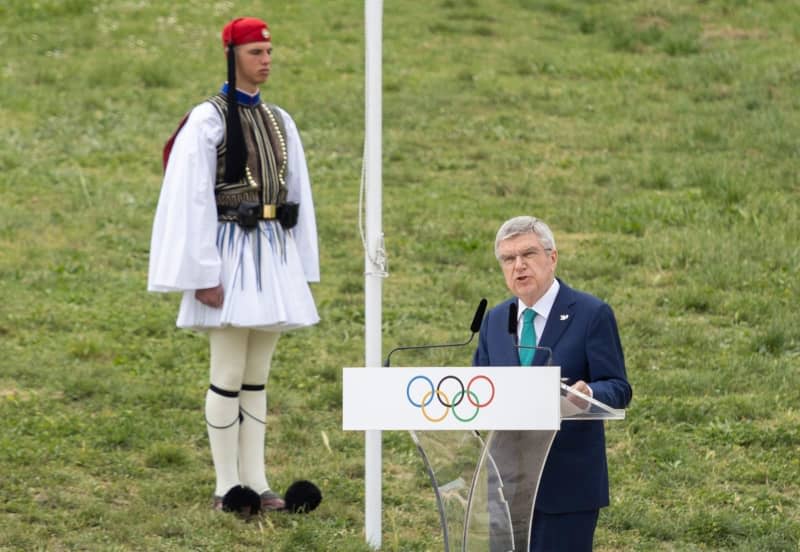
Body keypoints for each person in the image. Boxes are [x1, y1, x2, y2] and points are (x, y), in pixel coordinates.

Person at [148, 16, 319, 516]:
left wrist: (300, 268)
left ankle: (257, 481)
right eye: (254, 52)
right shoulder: (207, 119)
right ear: (231, 56)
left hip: (272, 255)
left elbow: (297, 194)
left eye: (268, 52)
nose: (265, 61)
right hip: (228, 253)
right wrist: (202, 272)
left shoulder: (280, 120)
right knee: (227, 370)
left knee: (257, 375)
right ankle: (227, 486)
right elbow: (191, 199)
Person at [473, 216, 632, 551]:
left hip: (566, 488)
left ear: (552, 257)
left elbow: (618, 388)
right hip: (506, 486)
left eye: (528, 254)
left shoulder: (591, 314)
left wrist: (589, 394)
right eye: (508, 259)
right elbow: (479, 392)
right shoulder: (495, 320)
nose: (519, 266)